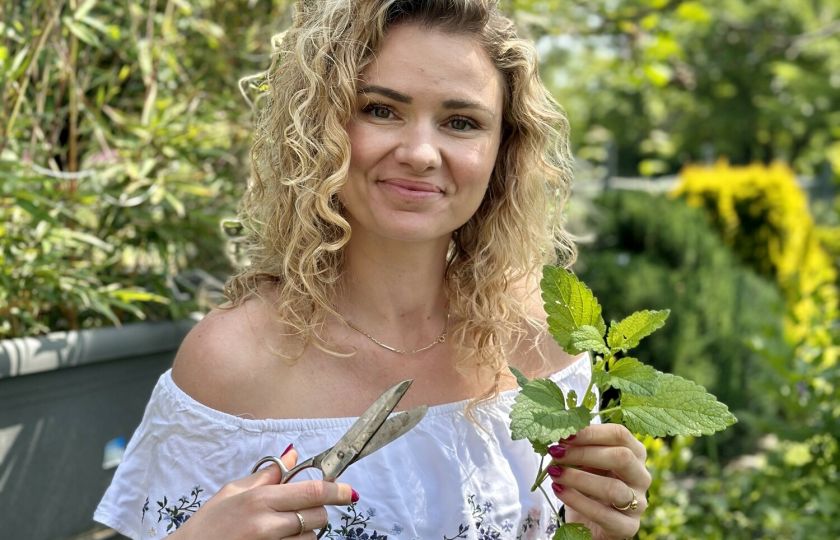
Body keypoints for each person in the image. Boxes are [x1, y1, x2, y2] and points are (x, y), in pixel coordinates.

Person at [94, 1, 651, 538]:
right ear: (321, 127)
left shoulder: (539, 331)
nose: (421, 153)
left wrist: (605, 529)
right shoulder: (233, 359)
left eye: (460, 122)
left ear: (502, 150)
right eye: (381, 110)